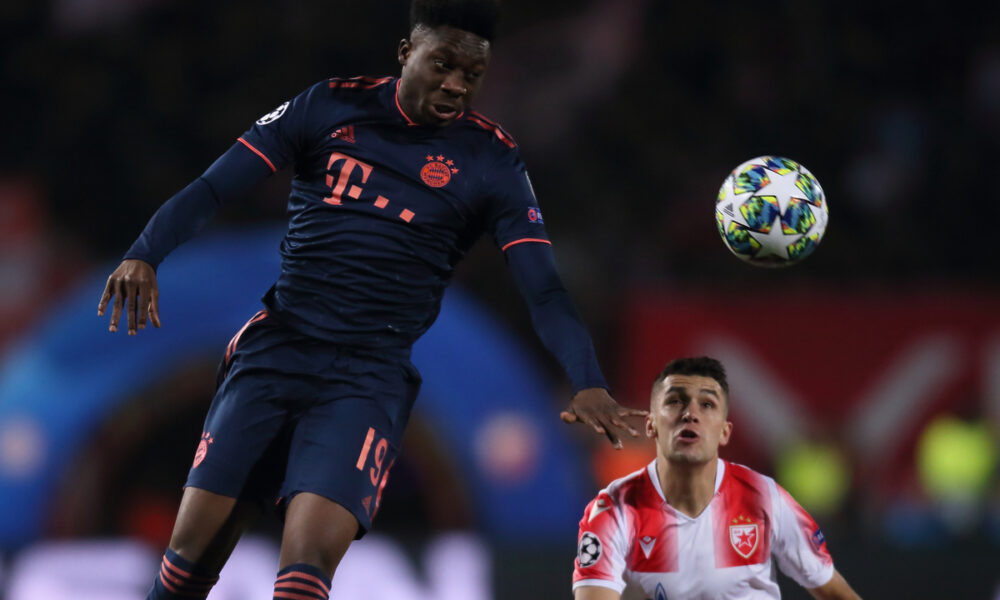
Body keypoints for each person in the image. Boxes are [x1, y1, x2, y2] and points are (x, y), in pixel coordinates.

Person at [96, 1, 645, 598]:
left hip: (366, 378)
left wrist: (586, 379)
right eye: (443, 65)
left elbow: (543, 286)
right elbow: (214, 187)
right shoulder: (329, 105)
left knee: (304, 573)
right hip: (277, 349)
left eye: (472, 74)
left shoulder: (491, 159)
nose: (456, 85)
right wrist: (144, 253)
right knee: (186, 566)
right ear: (406, 53)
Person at [572, 357, 861, 600]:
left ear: (724, 431)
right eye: (675, 402)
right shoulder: (613, 510)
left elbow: (834, 590)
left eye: (707, 405)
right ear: (651, 426)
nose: (690, 414)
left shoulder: (764, 497)